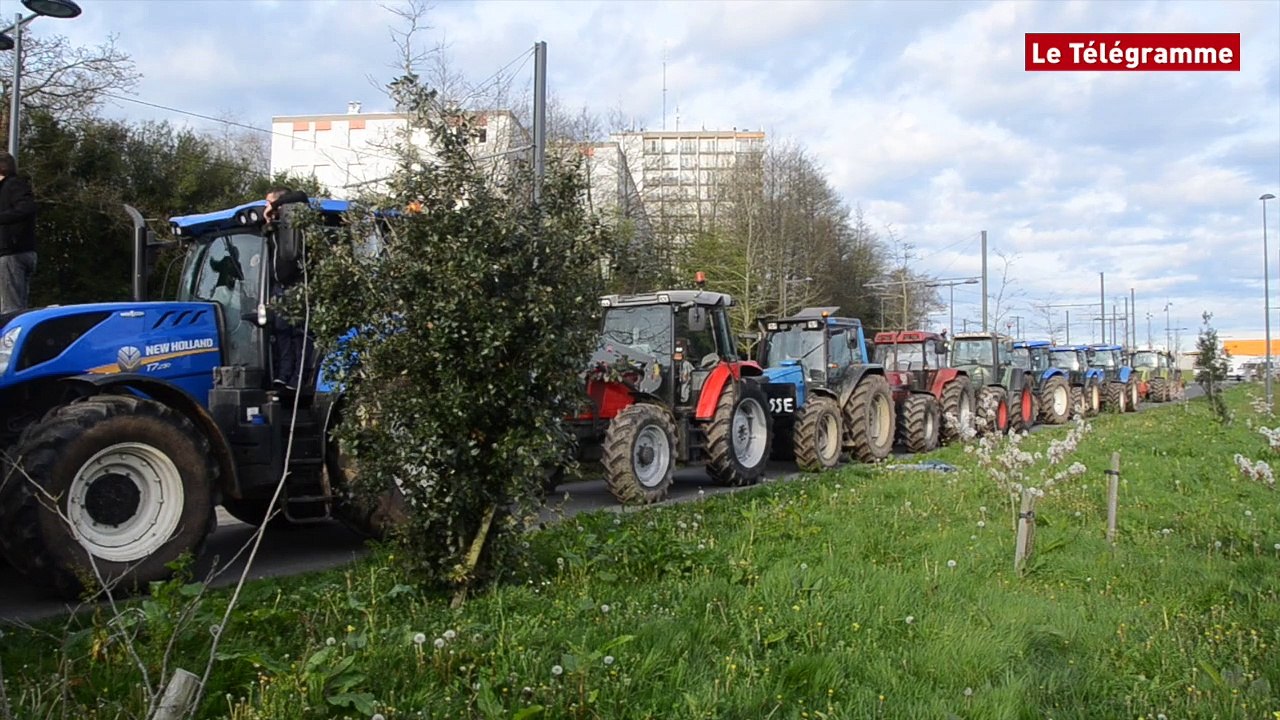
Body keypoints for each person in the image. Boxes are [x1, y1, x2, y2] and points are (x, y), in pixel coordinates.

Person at [262, 187, 313, 391]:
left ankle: (299, 378)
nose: (267, 207)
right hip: (279, 289)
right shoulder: (272, 228)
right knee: (282, 332)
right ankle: (283, 375)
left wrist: (275, 206)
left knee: (300, 334)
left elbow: (302, 195)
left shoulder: (296, 225)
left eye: (269, 202)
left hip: (297, 288)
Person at [0, 151, 37, 314]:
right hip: (16, 252)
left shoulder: (13, 185)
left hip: (12, 253)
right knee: (16, 306)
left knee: (11, 309)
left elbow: (26, 208)